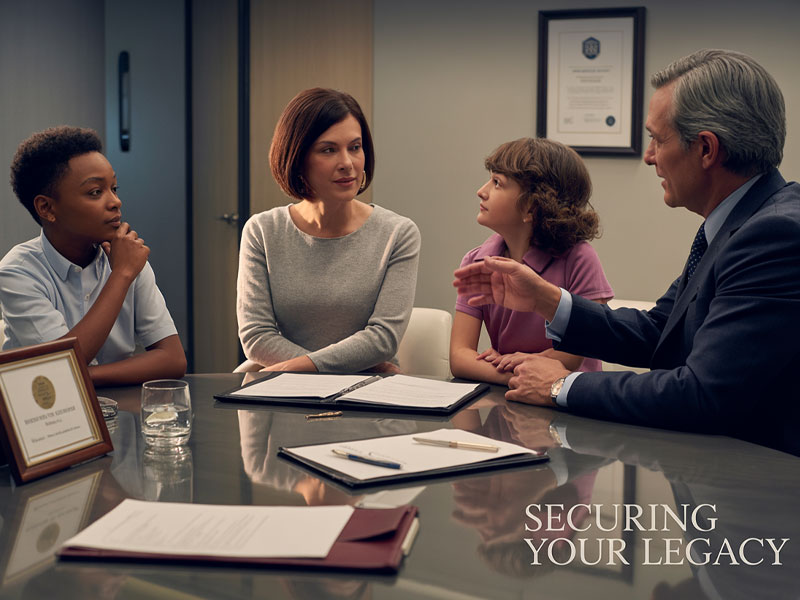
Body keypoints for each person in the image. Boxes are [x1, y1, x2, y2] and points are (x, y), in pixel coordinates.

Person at [453, 49, 800, 452]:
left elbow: (703, 394)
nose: (650, 156)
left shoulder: (774, 235)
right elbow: (659, 332)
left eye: (656, 139)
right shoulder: (741, 221)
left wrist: (562, 385)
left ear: (706, 149)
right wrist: (548, 301)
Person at [237, 88, 420, 373]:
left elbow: (383, 340)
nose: (347, 163)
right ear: (297, 158)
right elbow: (256, 336)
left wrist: (305, 367)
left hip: (367, 393)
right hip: (290, 390)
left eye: (355, 147)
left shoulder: (398, 233)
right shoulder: (262, 231)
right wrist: (334, 370)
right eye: (329, 150)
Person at [0, 126, 186, 386]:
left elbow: (173, 359)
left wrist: (83, 377)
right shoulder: (17, 271)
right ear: (47, 208)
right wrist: (120, 276)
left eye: (114, 188)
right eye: (95, 192)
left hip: (117, 412)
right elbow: (60, 365)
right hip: (43, 420)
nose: (115, 202)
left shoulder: (128, 258)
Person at [450, 138, 613, 385]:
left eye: (497, 183)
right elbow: (460, 357)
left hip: (573, 404)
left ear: (532, 207)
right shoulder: (476, 260)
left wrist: (504, 366)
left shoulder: (580, 259)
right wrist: (512, 374)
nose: (481, 191)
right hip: (513, 398)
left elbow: (572, 355)